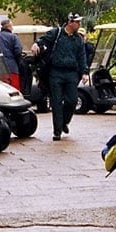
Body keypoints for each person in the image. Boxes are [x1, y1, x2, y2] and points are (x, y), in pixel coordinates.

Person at [31, 12, 89, 141]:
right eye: (77, 22)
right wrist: (36, 44)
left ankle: (64, 122)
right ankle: (57, 131)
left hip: (71, 73)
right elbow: (43, 39)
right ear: (70, 22)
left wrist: (84, 72)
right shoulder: (56, 33)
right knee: (56, 102)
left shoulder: (78, 39)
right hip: (56, 72)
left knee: (72, 100)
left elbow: (82, 56)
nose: (79, 24)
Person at [0, 19, 23, 89]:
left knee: (1, 89)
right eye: (12, 26)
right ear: (9, 27)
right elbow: (18, 51)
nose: (12, 28)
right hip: (11, 67)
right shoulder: (14, 37)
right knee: (14, 89)